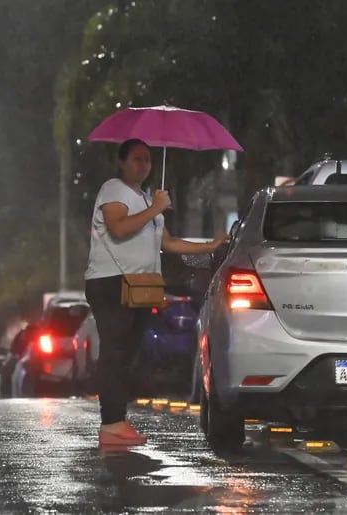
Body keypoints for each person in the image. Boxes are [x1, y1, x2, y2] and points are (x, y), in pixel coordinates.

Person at [84, 138, 229, 446]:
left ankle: (117, 420)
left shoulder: (147, 197)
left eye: (147, 159)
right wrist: (155, 208)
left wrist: (210, 246)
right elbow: (119, 228)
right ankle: (111, 423)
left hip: (139, 284)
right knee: (114, 352)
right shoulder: (114, 189)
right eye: (137, 158)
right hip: (111, 281)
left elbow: (169, 243)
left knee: (127, 353)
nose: (144, 165)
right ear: (122, 162)